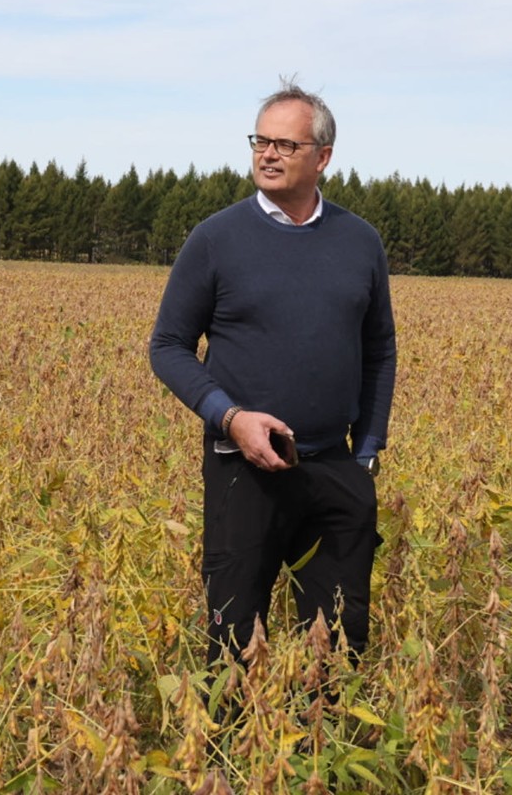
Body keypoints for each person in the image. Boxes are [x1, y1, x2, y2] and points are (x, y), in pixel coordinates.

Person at [149, 80, 398, 664]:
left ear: (323, 157)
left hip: (334, 469)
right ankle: (231, 726)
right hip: (242, 471)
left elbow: (379, 350)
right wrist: (231, 419)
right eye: (260, 141)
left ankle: (322, 724)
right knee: (233, 647)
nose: (268, 154)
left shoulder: (360, 242)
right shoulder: (215, 239)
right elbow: (168, 346)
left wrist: (365, 455)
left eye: (286, 145)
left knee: (338, 647)